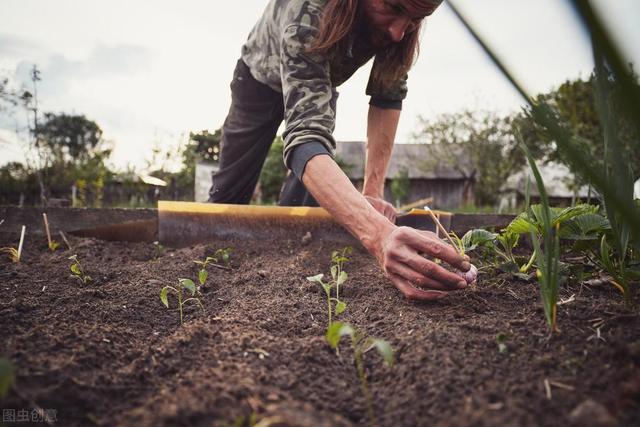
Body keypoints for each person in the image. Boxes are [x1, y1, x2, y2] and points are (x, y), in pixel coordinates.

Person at [209, 0, 471, 300]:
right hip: (259, 80)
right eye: (394, 9)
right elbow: (304, 135)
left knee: (305, 206)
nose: (399, 32)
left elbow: (387, 96)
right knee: (227, 197)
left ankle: (285, 279)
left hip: (319, 81)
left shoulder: (401, 25)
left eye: (415, 19)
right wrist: (379, 234)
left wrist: (373, 191)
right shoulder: (307, 12)